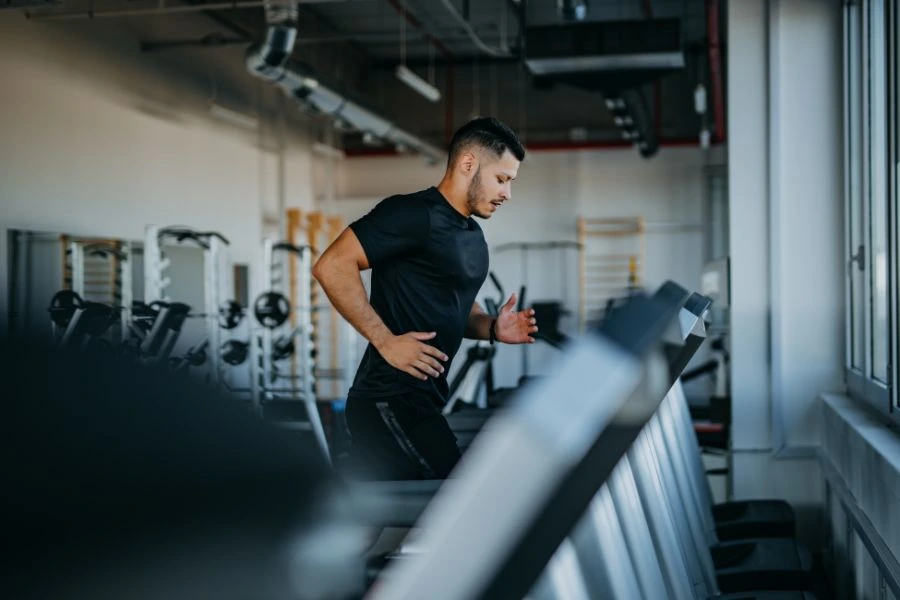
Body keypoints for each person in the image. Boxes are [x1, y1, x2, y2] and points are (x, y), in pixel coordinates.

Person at [312, 117, 537, 481]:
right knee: (455, 500)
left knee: (367, 521)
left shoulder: (472, 235)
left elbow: (456, 311)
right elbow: (332, 265)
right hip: (390, 397)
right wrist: (385, 341)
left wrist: (492, 327)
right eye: (502, 179)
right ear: (468, 164)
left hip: (420, 399)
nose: (507, 194)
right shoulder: (413, 214)